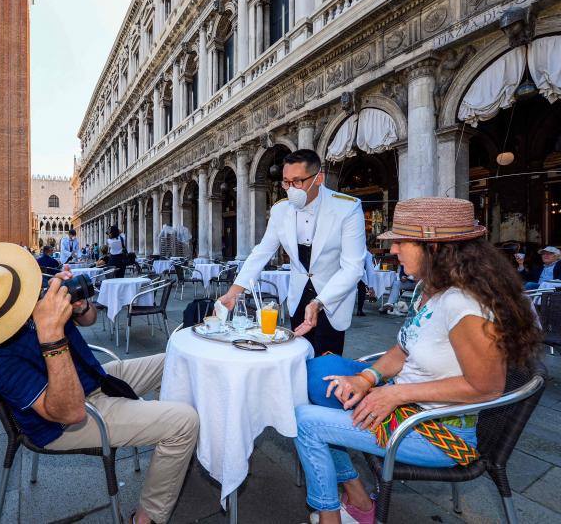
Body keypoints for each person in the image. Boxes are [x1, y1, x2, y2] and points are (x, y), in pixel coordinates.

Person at [295, 197, 542, 524]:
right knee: (317, 377)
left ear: (434, 247)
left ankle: (333, 516)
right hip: (408, 408)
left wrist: (395, 394)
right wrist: (367, 378)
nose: (393, 249)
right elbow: (403, 348)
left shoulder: (464, 304)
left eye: (400, 241)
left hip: (435, 433)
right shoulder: (430, 288)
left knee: (304, 421)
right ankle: (357, 497)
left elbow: (487, 387)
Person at [0, 243, 199, 524]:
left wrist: (81, 307)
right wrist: (51, 334)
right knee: (184, 423)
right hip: (64, 421)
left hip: (94, 376)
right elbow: (69, 412)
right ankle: (146, 517)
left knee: (177, 360)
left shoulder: (32, 291)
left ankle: (172, 458)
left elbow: (90, 319)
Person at [217, 149, 366, 356]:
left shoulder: (347, 208)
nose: (290, 189)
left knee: (326, 365)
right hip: (298, 297)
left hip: (333, 299)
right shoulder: (280, 210)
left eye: (297, 181)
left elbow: (353, 267)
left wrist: (319, 302)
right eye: (286, 182)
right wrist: (235, 291)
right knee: (297, 359)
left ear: (318, 179)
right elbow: (262, 252)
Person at [356, 250, 375, 317]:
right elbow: (370, 270)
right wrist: (371, 286)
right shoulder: (366, 253)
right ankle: (359, 310)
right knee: (361, 290)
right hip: (359, 273)